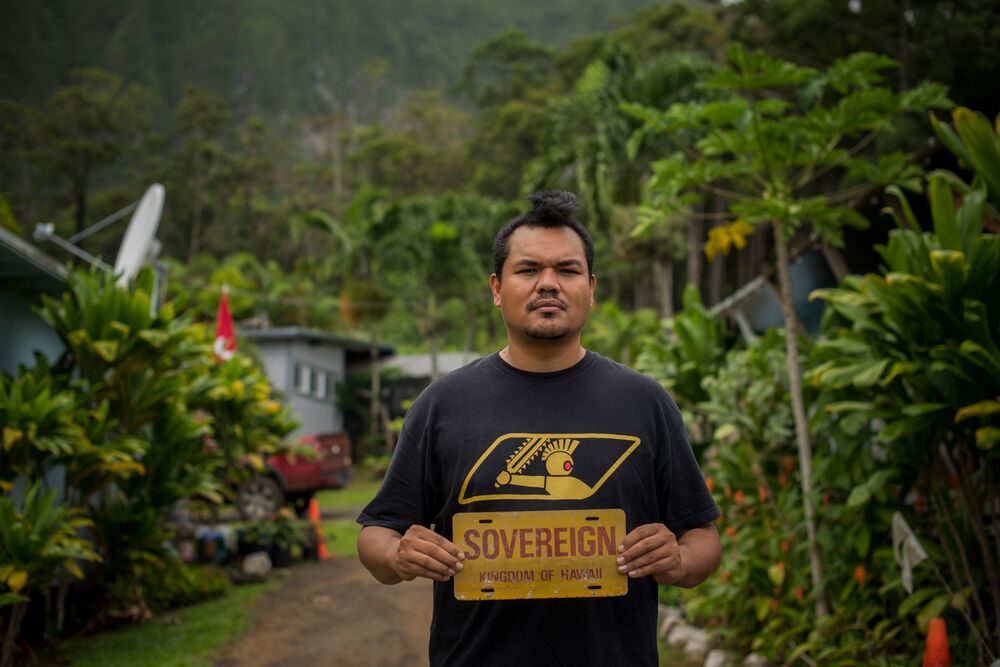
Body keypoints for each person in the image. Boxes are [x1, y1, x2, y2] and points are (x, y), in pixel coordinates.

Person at [357, 190, 721, 666]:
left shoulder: (645, 402)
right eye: (528, 270)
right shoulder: (441, 405)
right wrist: (397, 555)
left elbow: (702, 538)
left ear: (591, 288)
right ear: (496, 288)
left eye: (567, 270)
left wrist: (679, 560)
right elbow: (376, 534)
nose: (548, 284)